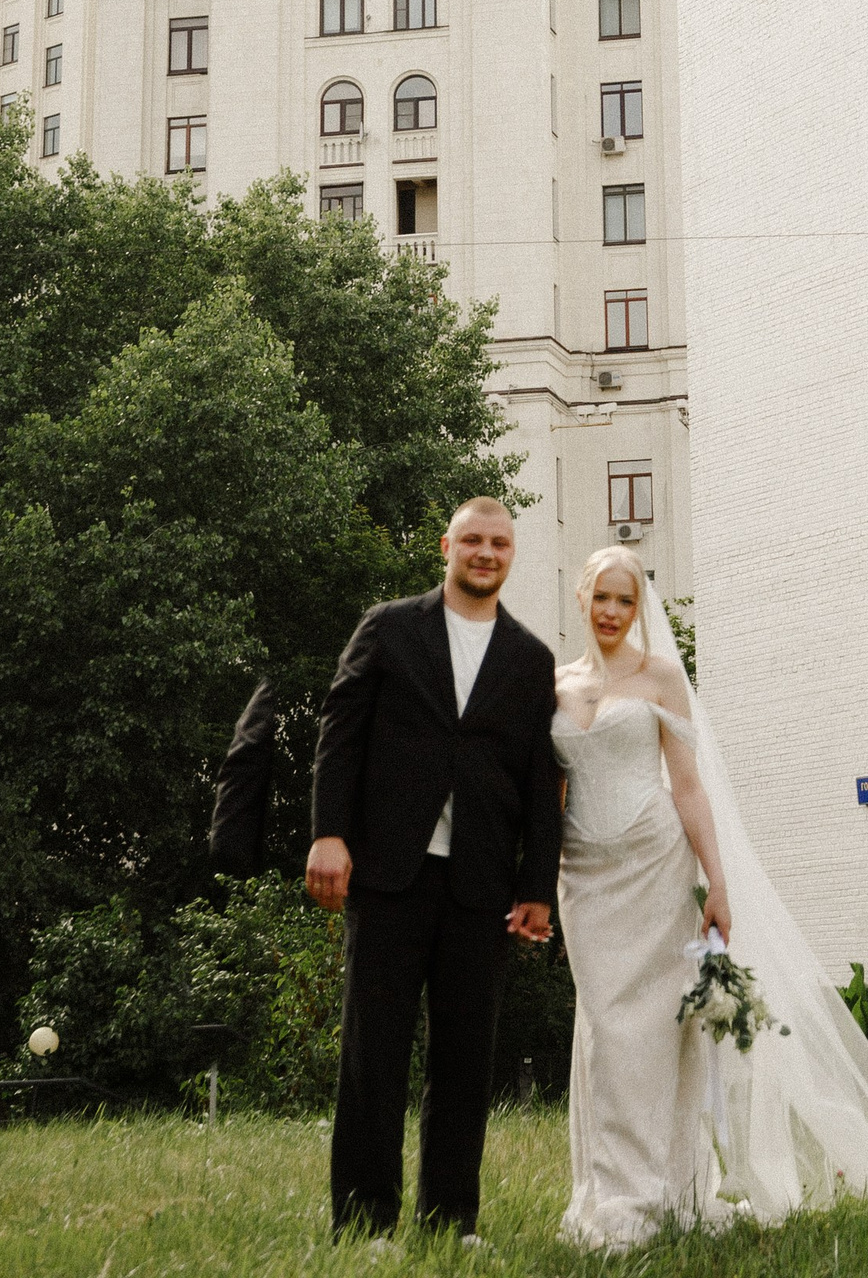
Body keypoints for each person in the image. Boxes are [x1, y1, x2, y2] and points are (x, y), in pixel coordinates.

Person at [551, 551, 868, 1251]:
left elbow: (688, 784)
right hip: (584, 877)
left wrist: (717, 881)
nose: (610, 611)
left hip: (654, 862)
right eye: (600, 597)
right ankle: (609, 1191)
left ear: (638, 609)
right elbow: (552, 793)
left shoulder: (661, 677)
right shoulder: (553, 686)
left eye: (624, 601)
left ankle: (659, 1193)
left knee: (662, 1025)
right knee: (606, 1032)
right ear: (580, 598)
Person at [308, 497, 561, 1241]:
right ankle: (364, 1225)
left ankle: (452, 1219)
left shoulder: (530, 659)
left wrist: (537, 888)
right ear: (447, 546)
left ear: (512, 555)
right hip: (388, 875)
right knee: (372, 1058)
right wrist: (329, 835)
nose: (486, 553)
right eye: (473, 541)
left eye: (500, 544)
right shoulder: (388, 628)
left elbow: (540, 787)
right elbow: (338, 737)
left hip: (479, 887)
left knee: (463, 1064)